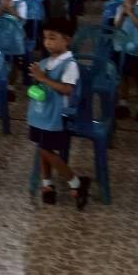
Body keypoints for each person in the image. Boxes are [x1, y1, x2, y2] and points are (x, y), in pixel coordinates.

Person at [28, 17, 92, 209]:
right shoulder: (46, 61)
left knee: (46, 150)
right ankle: (47, 184)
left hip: (56, 116)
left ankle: (76, 183)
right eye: (45, 38)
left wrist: (43, 78)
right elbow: (42, 83)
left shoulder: (70, 64)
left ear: (67, 40)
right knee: (42, 147)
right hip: (41, 114)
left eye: (52, 38)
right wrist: (36, 79)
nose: (47, 42)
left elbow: (67, 89)